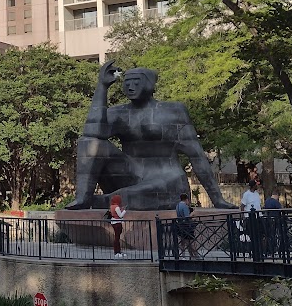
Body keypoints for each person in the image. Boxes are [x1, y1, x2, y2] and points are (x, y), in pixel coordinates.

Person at [69, 64, 234, 211]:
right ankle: (84, 198)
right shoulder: (118, 113)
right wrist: (102, 87)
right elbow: (92, 133)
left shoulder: (173, 111)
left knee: (129, 196)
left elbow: (196, 155)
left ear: (150, 84)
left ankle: (101, 201)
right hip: (131, 175)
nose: (130, 86)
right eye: (127, 82)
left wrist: (217, 198)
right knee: (90, 143)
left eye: (136, 82)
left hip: (167, 179)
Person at [175, 193, 198, 258]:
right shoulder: (184, 206)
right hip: (187, 226)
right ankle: (196, 256)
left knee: (184, 242)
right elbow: (187, 217)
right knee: (191, 242)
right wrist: (193, 214)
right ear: (186, 199)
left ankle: (184, 256)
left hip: (180, 225)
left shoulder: (178, 205)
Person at [263, 190, 283, 258]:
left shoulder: (267, 201)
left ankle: (268, 251)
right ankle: (274, 250)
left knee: (268, 236)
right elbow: (281, 210)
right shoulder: (276, 202)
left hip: (267, 220)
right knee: (274, 235)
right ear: (276, 195)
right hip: (274, 220)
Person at [108, 194, 126, 258]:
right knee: (117, 237)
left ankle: (118, 251)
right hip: (117, 222)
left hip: (113, 222)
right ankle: (117, 252)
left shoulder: (112, 206)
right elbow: (120, 215)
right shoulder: (117, 207)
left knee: (117, 237)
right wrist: (124, 211)